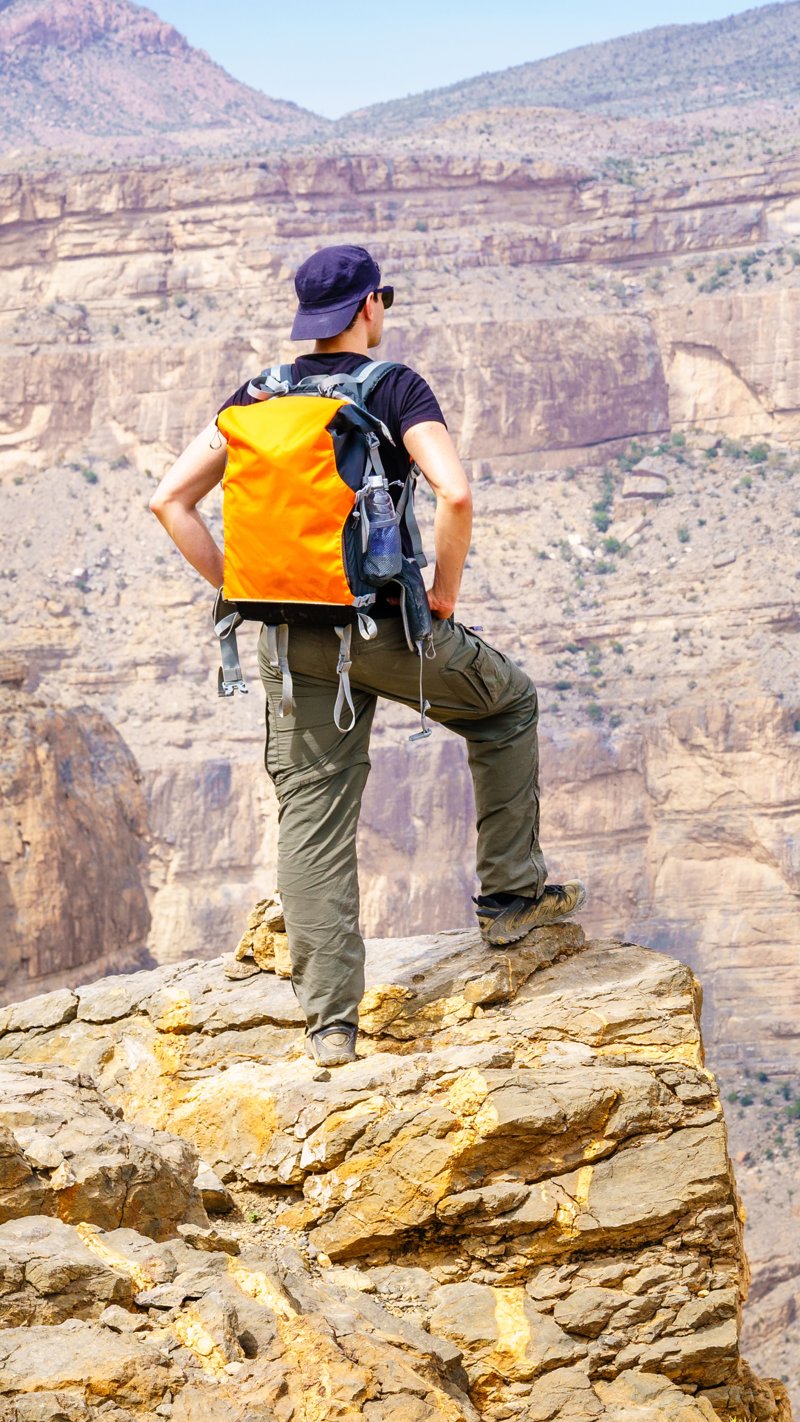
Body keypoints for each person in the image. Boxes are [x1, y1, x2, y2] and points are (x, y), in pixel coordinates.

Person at [150, 243, 586, 1068]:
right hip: (387, 630)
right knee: (506, 706)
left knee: (313, 823)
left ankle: (330, 1032)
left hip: (286, 640)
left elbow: (168, 500)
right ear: (367, 309)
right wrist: (445, 595)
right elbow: (454, 491)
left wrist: (238, 587)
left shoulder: (256, 394)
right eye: (380, 298)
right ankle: (510, 899)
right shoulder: (394, 386)